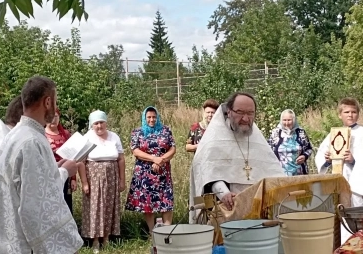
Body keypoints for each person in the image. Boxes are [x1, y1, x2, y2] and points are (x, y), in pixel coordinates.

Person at [0, 76, 83, 254]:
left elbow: (27, 182)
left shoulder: (17, 134)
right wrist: (64, 171)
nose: (55, 108)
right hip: (16, 240)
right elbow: (36, 200)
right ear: (47, 102)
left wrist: (55, 170)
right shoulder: (31, 140)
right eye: (55, 102)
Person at [189, 92, 285, 223]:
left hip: (257, 210)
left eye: (250, 113)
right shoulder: (214, 139)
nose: (245, 118)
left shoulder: (258, 140)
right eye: (240, 112)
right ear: (229, 111)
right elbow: (208, 173)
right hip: (225, 210)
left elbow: (274, 172)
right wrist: (224, 193)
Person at [315, 97, 363, 244]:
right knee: (341, 219)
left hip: (358, 186)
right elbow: (321, 156)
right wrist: (327, 159)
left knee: (358, 220)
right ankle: (343, 247)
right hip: (340, 184)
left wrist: (354, 160)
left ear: (358, 114)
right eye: (346, 112)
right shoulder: (333, 134)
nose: (350, 115)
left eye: (354, 112)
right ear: (339, 114)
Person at [79, 110, 125, 254]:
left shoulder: (114, 137)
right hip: (94, 177)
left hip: (112, 177)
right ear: (92, 125)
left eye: (101, 122)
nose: (99, 126)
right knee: (95, 208)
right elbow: (81, 162)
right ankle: (94, 241)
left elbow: (121, 159)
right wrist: (84, 182)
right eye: (96, 123)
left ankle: (106, 238)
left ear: (106, 122)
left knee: (109, 207)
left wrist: (122, 180)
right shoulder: (87, 138)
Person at [125, 106, 176, 235]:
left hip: (163, 173)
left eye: (154, 117)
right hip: (144, 173)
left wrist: (161, 160)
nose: (152, 119)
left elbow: (173, 148)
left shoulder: (166, 130)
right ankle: (152, 233)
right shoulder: (137, 132)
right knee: (147, 203)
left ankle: (167, 231)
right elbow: (135, 151)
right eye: (149, 117)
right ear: (144, 118)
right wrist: (154, 159)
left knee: (166, 201)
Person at [45, 108, 77, 214]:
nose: (53, 120)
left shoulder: (66, 134)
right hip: (49, 174)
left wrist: (73, 178)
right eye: (50, 117)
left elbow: (73, 157)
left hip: (66, 174)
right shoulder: (41, 135)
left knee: (66, 203)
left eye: (56, 117)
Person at [267, 109, 313, 176]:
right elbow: (268, 150)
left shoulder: (301, 132)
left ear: (294, 120)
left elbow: (309, 148)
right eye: (284, 120)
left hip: (300, 173)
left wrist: (305, 156)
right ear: (281, 120)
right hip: (280, 174)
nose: (287, 123)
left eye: (289, 120)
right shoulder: (275, 133)